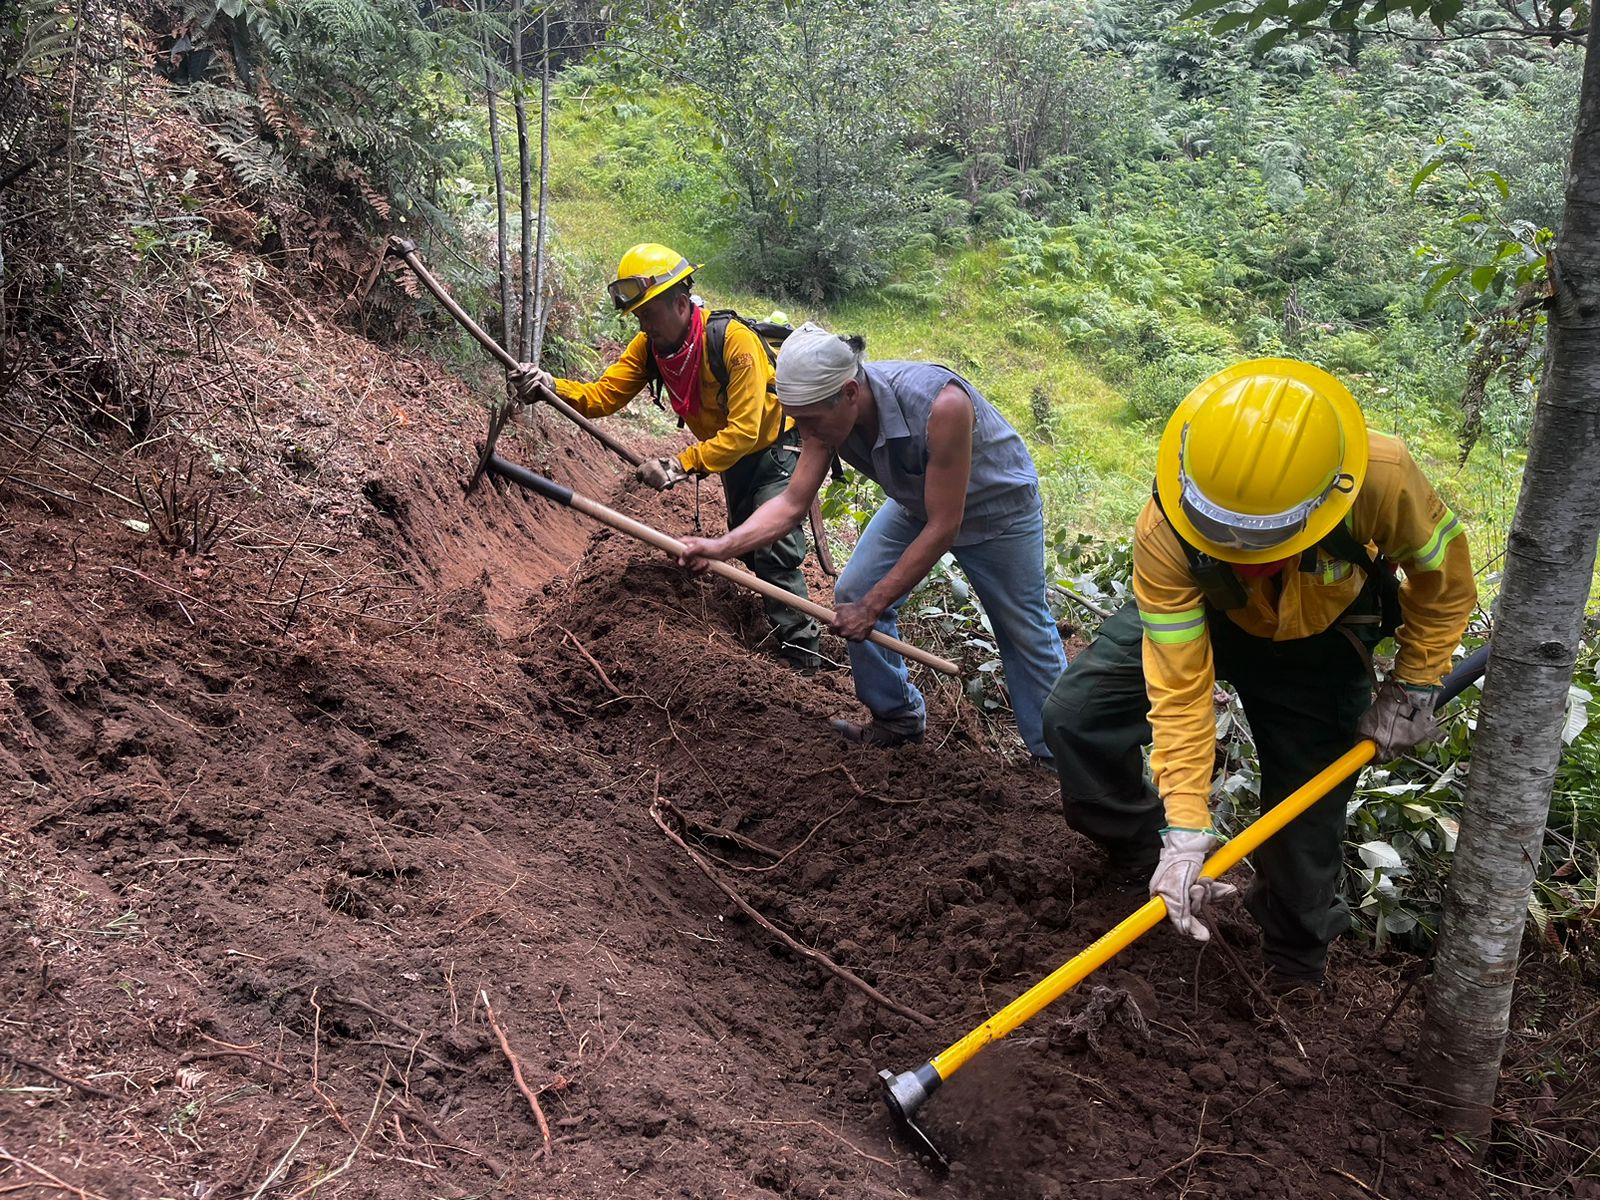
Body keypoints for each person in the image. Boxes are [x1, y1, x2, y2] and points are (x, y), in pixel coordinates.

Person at [1041, 359, 1476, 992]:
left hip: (1320, 643)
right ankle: (1144, 857)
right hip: (1203, 614)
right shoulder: (1166, 529)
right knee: (1077, 716)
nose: (1246, 566)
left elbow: (1444, 583)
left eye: (1260, 552)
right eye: (1226, 547)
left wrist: (1412, 685)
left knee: (1306, 820)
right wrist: (1186, 828)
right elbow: (1180, 688)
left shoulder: (1381, 478)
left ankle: (1293, 964)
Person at [677, 323, 1067, 758]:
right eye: (798, 420)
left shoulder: (941, 406)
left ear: (849, 393)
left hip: (998, 509)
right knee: (854, 591)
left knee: (1024, 630)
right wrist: (720, 547)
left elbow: (943, 526)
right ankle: (897, 717)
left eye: (809, 420)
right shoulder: (824, 420)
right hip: (916, 496)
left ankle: (1059, 761)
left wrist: (874, 606)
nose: (805, 433)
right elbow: (791, 503)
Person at [513, 243, 822, 672]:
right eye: (637, 317)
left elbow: (746, 431)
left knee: (771, 544)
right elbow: (602, 396)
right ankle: (781, 619)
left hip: (775, 449)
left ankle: (805, 656)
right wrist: (550, 386)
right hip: (732, 458)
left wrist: (679, 464)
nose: (643, 325)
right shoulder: (650, 349)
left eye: (648, 314)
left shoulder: (735, 343)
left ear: (680, 303)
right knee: (749, 545)